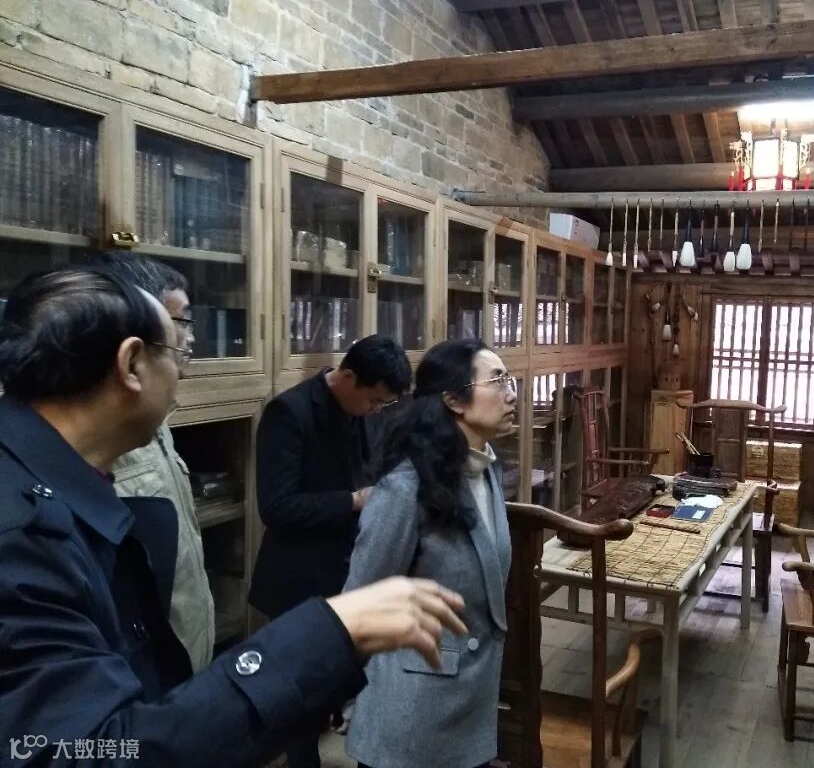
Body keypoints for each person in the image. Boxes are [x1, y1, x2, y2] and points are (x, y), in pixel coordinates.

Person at [0, 267, 466, 767]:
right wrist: (329, 632)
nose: (185, 372)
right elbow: (87, 750)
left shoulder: (50, 479)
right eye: (177, 352)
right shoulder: (21, 533)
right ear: (132, 363)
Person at [342, 338, 518, 768]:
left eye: (510, 380)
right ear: (454, 400)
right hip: (411, 713)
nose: (512, 394)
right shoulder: (405, 489)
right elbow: (358, 602)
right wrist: (349, 697)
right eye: (497, 381)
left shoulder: (485, 470)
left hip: (468, 699)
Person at [249, 334, 411, 767]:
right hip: (300, 575)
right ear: (349, 377)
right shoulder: (290, 412)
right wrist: (354, 501)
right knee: (300, 693)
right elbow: (276, 507)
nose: (377, 410)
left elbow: (373, 466)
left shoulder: (367, 410)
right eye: (374, 400)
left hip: (351, 567)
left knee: (347, 678)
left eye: (385, 404)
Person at [86, 251, 214, 672]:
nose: (188, 338)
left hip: (183, 650)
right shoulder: (99, 439)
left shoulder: (154, 419)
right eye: (181, 322)